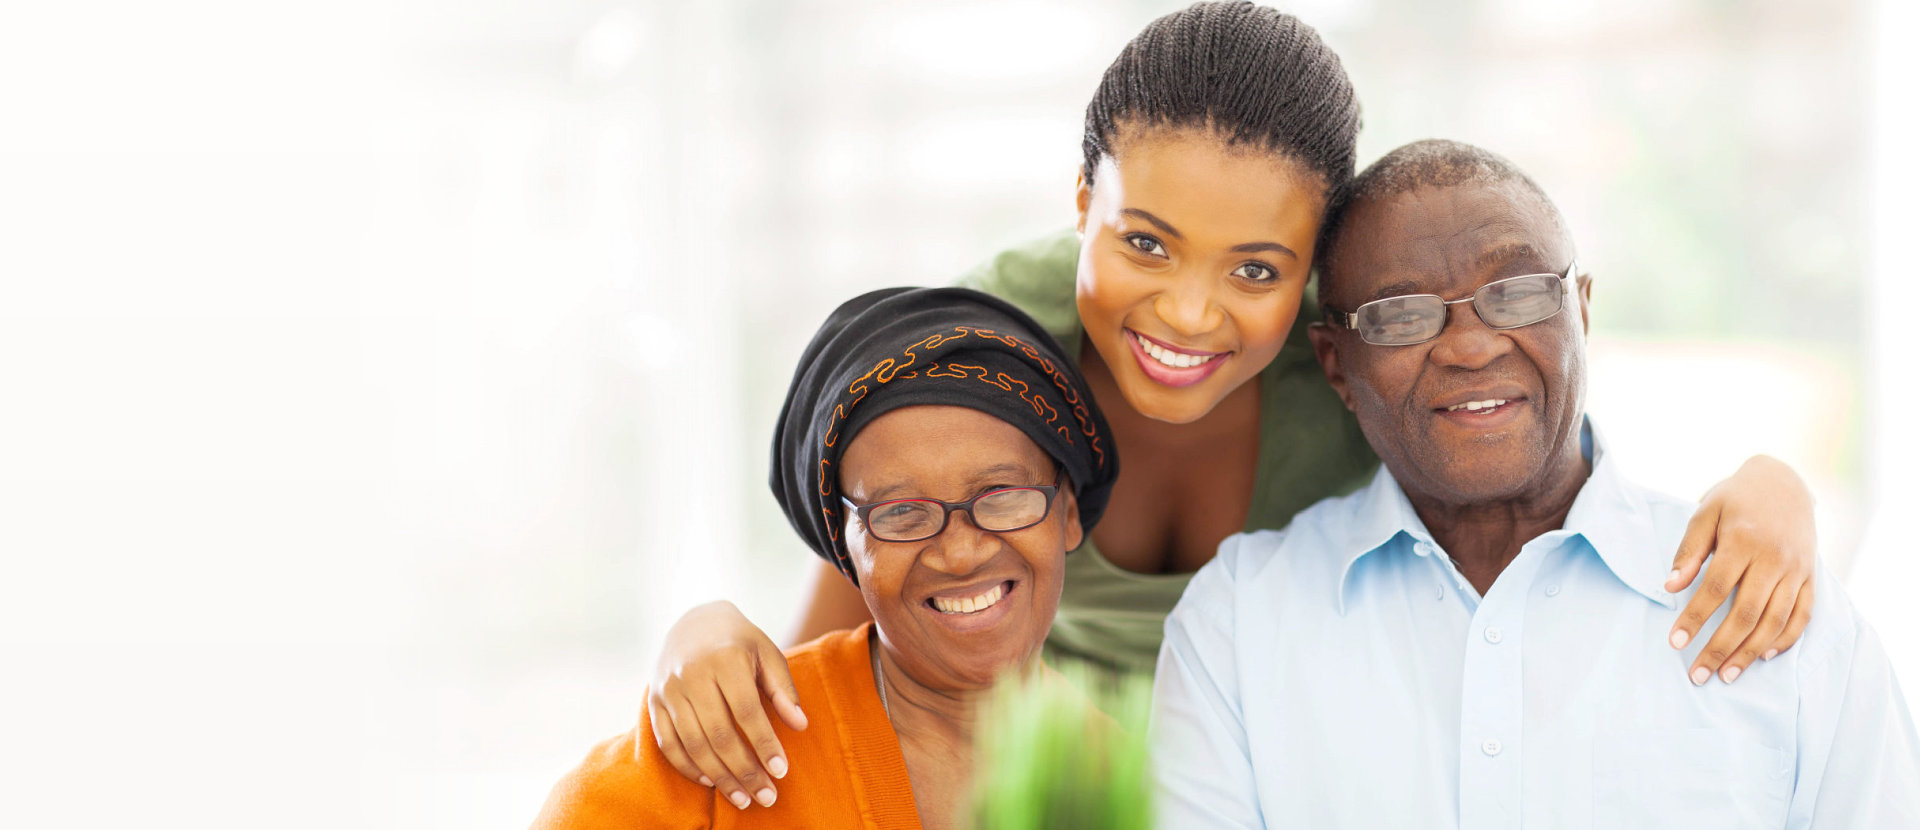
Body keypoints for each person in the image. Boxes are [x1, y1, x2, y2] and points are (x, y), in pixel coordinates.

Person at [644, 2, 1822, 810]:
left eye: (1254, 268)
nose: (1189, 315)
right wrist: (702, 630)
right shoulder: (993, 351)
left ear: (1315, 278)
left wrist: (1771, 487)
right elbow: (843, 644)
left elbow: (1524, 451)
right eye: (1145, 243)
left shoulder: (1356, 372)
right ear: (1080, 205)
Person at [1150, 139, 1920, 828]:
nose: (1473, 346)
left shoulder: (1774, 606)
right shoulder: (1239, 624)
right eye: (1401, 313)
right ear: (1335, 366)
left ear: (1581, 308)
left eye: (1518, 291)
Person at [530, 287, 1122, 828]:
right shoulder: (720, 751)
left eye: (1003, 496)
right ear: (845, 543)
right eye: (900, 512)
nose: (961, 552)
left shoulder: (1139, 784)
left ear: (1066, 512)